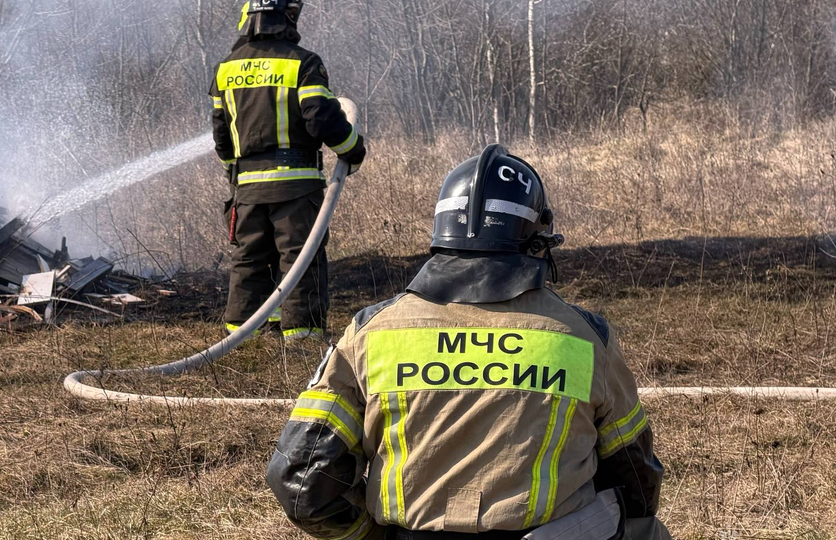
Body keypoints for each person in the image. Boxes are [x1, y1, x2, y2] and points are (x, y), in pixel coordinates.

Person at [266, 145, 672, 540]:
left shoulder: (371, 332)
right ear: (536, 241)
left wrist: (369, 534)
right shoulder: (584, 335)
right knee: (646, 530)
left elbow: (300, 480)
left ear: (442, 235)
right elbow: (635, 477)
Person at [209, 0, 366, 341]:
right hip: (296, 185)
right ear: (289, 16)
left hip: (246, 188)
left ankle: (242, 337)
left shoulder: (226, 68)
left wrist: (234, 176)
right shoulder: (303, 63)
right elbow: (321, 119)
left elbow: (221, 134)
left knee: (248, 259)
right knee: (300, 258)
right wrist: (353, 150)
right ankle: (302, 337)